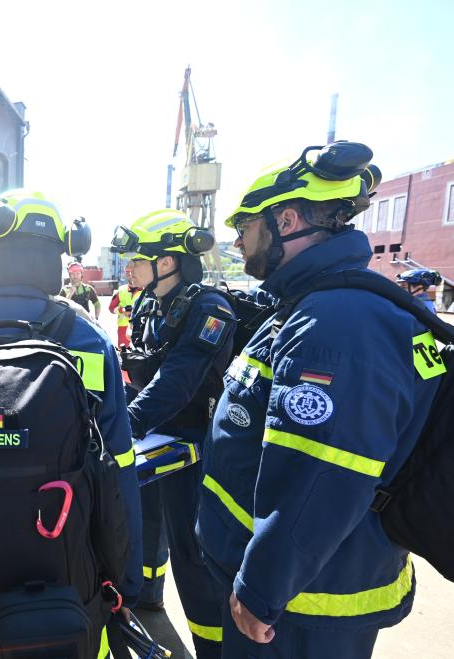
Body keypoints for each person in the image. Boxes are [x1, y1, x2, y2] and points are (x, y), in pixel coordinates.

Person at [197, 142, 432, 658]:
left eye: (245, 228)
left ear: (285, 220)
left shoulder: (335, 323)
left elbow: (322, 475)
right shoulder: (313, 305)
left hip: (301, 606)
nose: (238, 243)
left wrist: (261, 591)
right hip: (295, 589)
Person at [0, 190, 143, 658]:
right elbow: (118, 471)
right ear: (59, 255)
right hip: (62, 589)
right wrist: (125, 582)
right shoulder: (88, 341)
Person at [114, 210, 233, 658]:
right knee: (146, 524)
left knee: (190, 548)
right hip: (153, 437)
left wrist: (126, 423)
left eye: (137, 259)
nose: (128, 267)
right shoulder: (149, 302)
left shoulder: (210, 308)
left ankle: (212, 646)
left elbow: (179, 380)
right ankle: (147, 594)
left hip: (194, 445)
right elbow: (140, 369)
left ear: (167, 262)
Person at [108, 262, 141, 348]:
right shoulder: (121, 289)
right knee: (124, 355)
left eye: (132, 271)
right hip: (123, 328)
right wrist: (122, 310)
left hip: (139, 327)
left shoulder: (145, 289)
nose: (130, 274)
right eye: (127, 271)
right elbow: (111, 308)